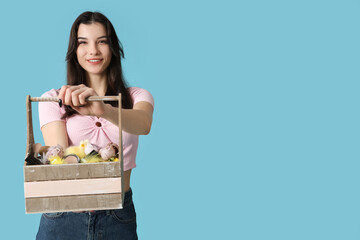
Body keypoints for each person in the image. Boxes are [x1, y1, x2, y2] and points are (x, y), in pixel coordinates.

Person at [36, 11, 154, 240]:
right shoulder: (52, 99)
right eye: (83, 43)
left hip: (117, 216)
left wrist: (103, 110)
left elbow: (144, 124)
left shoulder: (136, 96)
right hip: (63, 215)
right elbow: (59, 159)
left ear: (113, 48)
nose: (93, 51)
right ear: (74, 51)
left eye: (102, 41)